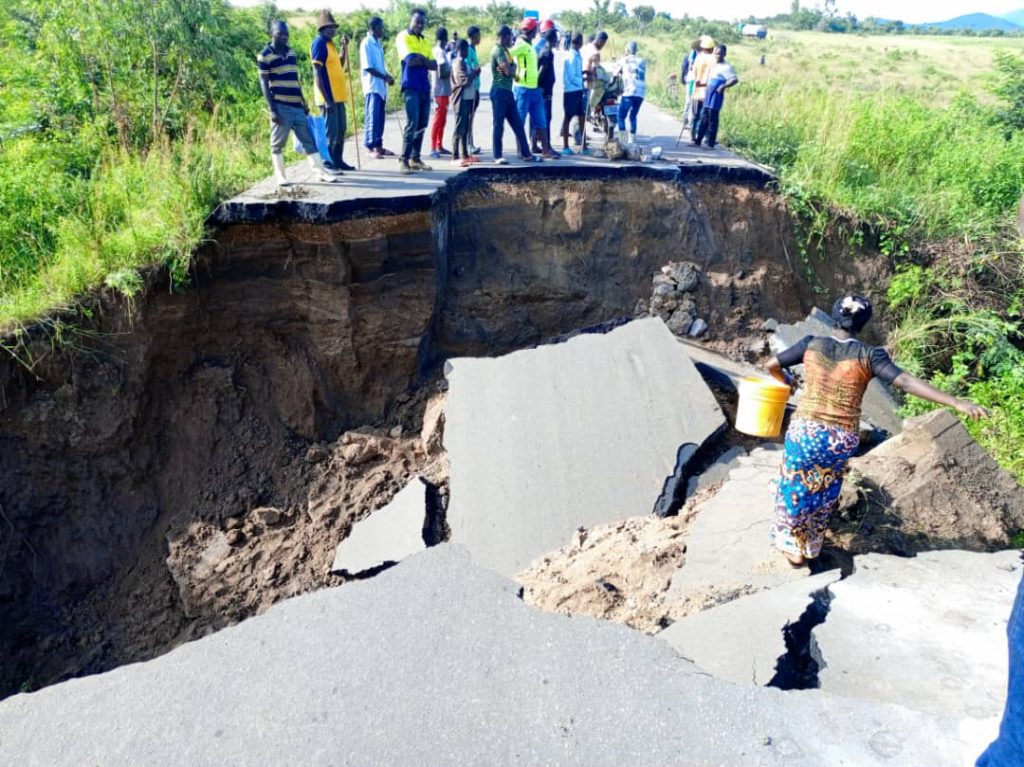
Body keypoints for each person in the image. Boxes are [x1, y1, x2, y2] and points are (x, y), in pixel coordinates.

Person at [765, 295, 988, 567]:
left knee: (795, 482)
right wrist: (956, 402)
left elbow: (772, 366)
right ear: (863, 323)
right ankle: (809, 545)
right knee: (823, 487)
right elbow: (904, 381)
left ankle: (792, 546)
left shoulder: (811, 343)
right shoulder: (870, 355)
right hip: (840, 436)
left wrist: (787, 381)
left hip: (805, 430)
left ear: (835, 316)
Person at [258, 20, 340, 186]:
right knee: (277, 144)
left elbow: (295, 80)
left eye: (286, 33)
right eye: (280, 33)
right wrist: (272, 110)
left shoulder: (291, 53)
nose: (284, 37)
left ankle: (320, 172)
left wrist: (303, 102)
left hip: (297, 106)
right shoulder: (264, 55)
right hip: (280, 106)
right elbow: (264, 83)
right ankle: (280, 176)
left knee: (309, 140)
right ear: (271, 33)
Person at [510, 18, 560, 160]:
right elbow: (506, 55)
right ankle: (521, 151)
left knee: (541, 120)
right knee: (520, 120)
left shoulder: (530, 45)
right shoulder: (520, 44)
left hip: (534, 89)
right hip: (523, 89)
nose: (537, 31)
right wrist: (513, 73)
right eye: (536, 28)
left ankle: (545, 150)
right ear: (532, 30)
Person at [395, 9, 436, 174]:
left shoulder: (424, 41)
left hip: (424, 86)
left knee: (422, 123)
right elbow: (411, 61)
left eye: (422, 23)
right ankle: (404, 159)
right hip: (411, 85)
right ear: (410, 21)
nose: (419, 25)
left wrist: (422, 59)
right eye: (416, 22)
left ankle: (415, 158)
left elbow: (434, 65)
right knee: (412, 123)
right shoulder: (403, 37)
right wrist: (423, 60)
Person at [490, 24, 536, 164]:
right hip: (499, 91)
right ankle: (497, 156)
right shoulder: (498, 51)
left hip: (508, 92)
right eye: (510, 36)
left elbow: (512, 72)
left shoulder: (506, 51)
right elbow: (509, 71)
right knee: (499, 125)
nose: (512, 38)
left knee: (517, 124)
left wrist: (511, 68)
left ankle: (527, 154)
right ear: (504, 37)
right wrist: (511, 69)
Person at [360, 16, 395, 159]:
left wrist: (388, 76)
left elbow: (379, 67)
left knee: (380, 118)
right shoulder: (367, 43)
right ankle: (370, 146)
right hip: (372, 86)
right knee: (372, 117)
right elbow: (368, 67)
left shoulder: (377, 43)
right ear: (373, 28)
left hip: (380, 87)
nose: (383, 30)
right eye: (381, 28)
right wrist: (384, 77)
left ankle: (379, 146)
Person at [693, 44, 738, 149]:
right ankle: (698, 141)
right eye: (716, 53)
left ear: (724, 54)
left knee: (712, 118)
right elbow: (711, 80)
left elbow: (734, 79)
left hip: (716, 94)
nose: (717, 55)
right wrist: (702, 84)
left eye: (720, 53)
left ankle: (710, 143)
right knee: (704, 117)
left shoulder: (726, 67)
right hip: (708, 92)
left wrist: (723, 86)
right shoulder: (714, 65)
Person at [449, 39, 479, 166]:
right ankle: (455, 156)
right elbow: (464, 81)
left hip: (466, 99)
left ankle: (464, 154)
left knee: (465, 127)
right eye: (467, 50)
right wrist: (474, 73)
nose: (468, 52)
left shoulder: (463, 62)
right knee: (459, 127)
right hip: (460, 99)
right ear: (462, 50)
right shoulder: (458, 63)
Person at [533, 20, 559, 154]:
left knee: (539, 118)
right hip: (544, 91)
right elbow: (541, 71)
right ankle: (546, 146)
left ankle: (535, 144)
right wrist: (539, 88)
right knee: (546, 119)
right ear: (553, 39)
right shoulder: (547, 52)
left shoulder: (544, 50)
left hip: (542, 89)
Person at [560, 32, 586, 154]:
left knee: (581, 117)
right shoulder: (571, 56)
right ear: (579, 42)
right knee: (568, 117)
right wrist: (582, 80)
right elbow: (571, 77)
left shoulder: (577, 54)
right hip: (571, 91)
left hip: (578, 90)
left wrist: (584, 75)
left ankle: (583, 146)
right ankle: (565, 146)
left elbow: (577, 73)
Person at [616, 41, 646, 145]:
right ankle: (632, 141)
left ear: (627, 50)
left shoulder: (623, 60)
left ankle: (623, 142)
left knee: (621, 116)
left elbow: (615, 73)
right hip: (641, 93)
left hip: (629, 91)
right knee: (633, 116)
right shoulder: (642, 61)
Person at [429, 27, 452, 158]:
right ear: (445, 38)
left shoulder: (435, 50)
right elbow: (442, 73)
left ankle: (439, 145)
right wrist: (452, 69)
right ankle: (433, 147)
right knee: (438, 120)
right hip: (440, 91)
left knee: (442, 120)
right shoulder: (440, 53)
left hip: (442, 90)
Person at [689, 35, 716, 144]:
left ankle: (692, 137)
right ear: (712, 48)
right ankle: (705, 137)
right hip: (708, 92)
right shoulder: (714, 59)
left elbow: (693, 75)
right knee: (706, 116)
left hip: (697, 91)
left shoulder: (698, 58)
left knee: (695, 116)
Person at [465, 26, 483, 155]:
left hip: (476, 88)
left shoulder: (473, 49)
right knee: (469, 117)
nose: (480, 38)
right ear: (473, 36)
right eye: (478, 35)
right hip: (470, 89)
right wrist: (475, 70)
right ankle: (468, 144)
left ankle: (470, 143)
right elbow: (467, 68)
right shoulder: (468, 50)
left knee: (472, 117)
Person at [680, 40, 698, 131]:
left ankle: (687, 122)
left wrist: (682, 78)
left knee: (689, 102)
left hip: (691, 82)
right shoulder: (693, 57)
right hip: (691, 82)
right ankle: (688, 122)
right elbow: (684, 68)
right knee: (690, 102)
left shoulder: (691, 56)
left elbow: (683, 69)